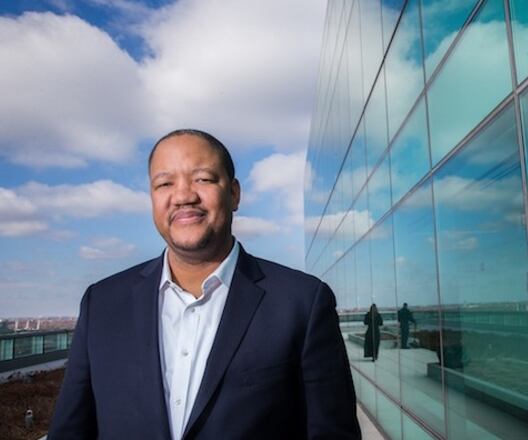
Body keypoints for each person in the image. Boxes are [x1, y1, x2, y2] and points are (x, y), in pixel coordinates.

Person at [49, 129, 360, 439]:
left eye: (203, 179)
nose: (184, 196)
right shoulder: (102, 304)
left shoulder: (302, 302)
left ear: (234, 194)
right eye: (164, 183)